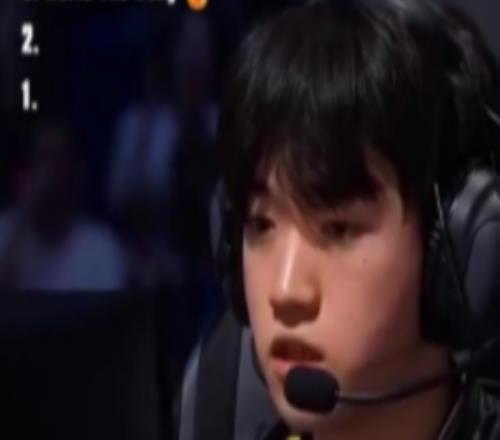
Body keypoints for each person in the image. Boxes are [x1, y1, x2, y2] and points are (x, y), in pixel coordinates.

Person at [215, 0, 500, 439]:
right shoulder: (205, 408)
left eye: (339, 229)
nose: (286, 291)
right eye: (261, 224)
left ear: (454, 255)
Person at [0, 118, 127, 291]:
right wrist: (24, 218)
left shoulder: (101, 249)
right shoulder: (4, 231)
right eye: (40, 158)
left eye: (55, 159)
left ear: (76, 174)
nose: (46, 173)